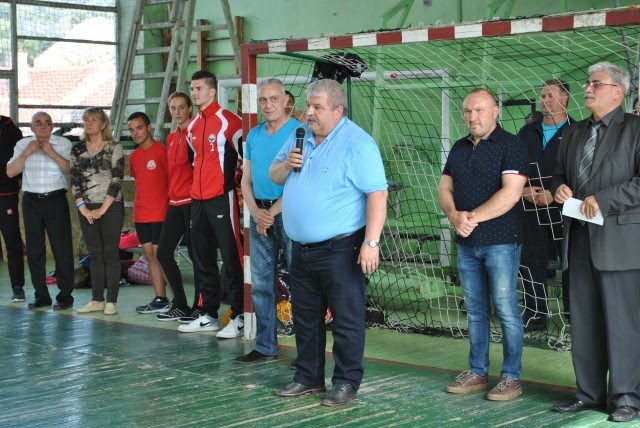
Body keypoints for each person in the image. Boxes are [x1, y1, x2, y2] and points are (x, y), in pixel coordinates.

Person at [270, 79, 388, 407]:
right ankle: (308, 377)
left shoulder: (358, 143)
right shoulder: (299, 136)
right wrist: (286, 165)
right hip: (300, 248)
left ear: (338, 111)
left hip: (341, 248)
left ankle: (346, 381)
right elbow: (274, 175)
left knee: (346, 318)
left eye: (317, 107)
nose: (309, 112)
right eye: (308, 105)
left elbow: (377, 194)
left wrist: (371, 242)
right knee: (306, 316)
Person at [551, 62, 640, 423]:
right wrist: (559, 187)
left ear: (617, 92)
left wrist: (604, 200)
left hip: (620, 244)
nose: (587, 88)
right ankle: (588, 394)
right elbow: (560, 173)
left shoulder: (635, 129)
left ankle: (626, 398)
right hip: (578, 240)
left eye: (595, 84)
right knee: (584, 321)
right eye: (588, 83)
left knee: (622, 324)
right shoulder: (574, 132)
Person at [439, 88, 528, 401]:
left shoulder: (511, 145)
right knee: (475, 311)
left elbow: (511, 193)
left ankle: (511, 378)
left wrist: (470, 218)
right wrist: (454, 216)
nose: (472, 117)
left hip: (501, 242)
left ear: (495, 111)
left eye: (479, 110)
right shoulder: (458, 147)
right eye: (467, 111)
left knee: (505, 309)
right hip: (466, 244)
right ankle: (477, 372)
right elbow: (444, 189)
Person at [235, 78, 299, 363]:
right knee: (261, 283)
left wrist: (270, 214)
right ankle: (265, 346)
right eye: (263, 100)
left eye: (274, 99)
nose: (268, 105)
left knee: (300, 282)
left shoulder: (299, 132)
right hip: (259, 214)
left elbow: (298, 182)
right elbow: (245, 180)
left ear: (285, 101)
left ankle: (307, 353)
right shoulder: (254, 135)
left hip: (288, 213)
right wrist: (256, 213)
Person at [177, 70, 245, 338]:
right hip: (197, 201)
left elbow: (245, 159)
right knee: (202, 258)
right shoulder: (192, 125)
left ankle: (239, 315)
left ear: (212, 91)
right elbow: (194, 161)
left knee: (231, 258)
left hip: (222, 199)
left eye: (199, 89)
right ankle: (208, 315)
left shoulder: (230, 121)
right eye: (192, 89)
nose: (194, 93)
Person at [517, 79, 573, 331]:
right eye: (543, 96)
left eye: (551, 96)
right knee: (531, 261)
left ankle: (573, 315)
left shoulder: (576, 131)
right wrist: (523, 190)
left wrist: (554, 193)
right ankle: (535, 315)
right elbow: (512, 168)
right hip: (530, 208)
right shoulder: (526, 133)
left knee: (570, 263)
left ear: (564, 100)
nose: (545, 100)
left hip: (564, 209)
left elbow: (582, 172)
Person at [6, 112, 75, 310]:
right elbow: (11, 172)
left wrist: (50, 151)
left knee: (62, 249)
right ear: (31, 127)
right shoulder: (22, 144)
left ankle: (65, 296)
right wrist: (27, 152)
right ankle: (41, 296)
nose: (43, 126)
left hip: (55, 199)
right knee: (35, 251)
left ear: (52, 126)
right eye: (38, 123)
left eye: (47, 123)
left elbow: (70, 169)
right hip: (31, 202)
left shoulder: (63, 143)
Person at [71, 107, 125, 316]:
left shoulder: (114, 147)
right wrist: (83, 208)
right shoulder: (77, 149)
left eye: (94, 120)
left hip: (111, 206)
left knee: (110, 253)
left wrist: (103, 208)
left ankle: (111, 300)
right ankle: (96, 300)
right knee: (95, 254)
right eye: (86, 120)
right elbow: (74, 181)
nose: (89, 123)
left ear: (103, 124)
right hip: (86, 208)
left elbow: (117, 179)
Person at [155, 92, 201, 322]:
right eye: (173, 108)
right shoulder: (172, 137)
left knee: (197, 255)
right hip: (174, 203)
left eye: (181, 107)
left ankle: (200, 307)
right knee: (163, 252)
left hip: (192, 202)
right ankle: (180, 304)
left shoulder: (195, 133)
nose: (177, 112)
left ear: (190, 108)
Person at [127, 112, 171, 314]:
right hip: (141, 215)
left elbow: (171, 182)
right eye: (131, 130)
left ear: (149, 127)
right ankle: (161, 299)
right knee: (150, 257)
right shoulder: (134, 156)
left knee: (162, 257)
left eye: (139, 128)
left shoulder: (162, 151)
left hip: (160, 214)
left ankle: (178, 302)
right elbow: (140, 181)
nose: (135, 133)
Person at [0, 115, 25, 302]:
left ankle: (18, 287)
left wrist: (19, 183)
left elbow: (21, 159)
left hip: (6, 195)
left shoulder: (10, 128)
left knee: (13, 242)